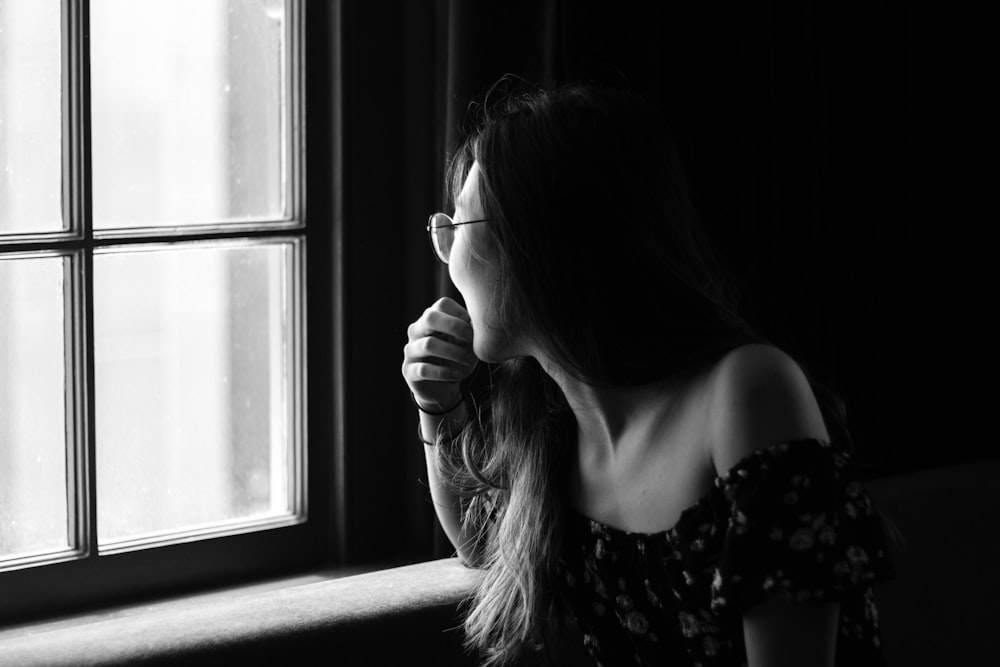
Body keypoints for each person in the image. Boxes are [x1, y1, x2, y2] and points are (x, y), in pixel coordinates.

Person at [401, 81, 894, 666]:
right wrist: (439, 407)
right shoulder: (558, 428)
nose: (448, 256)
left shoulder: (748, 393)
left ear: (540, 243)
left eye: (456, 226)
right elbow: (485, 547)